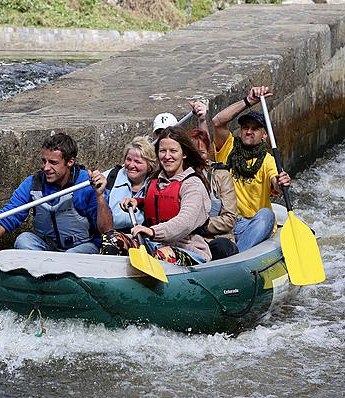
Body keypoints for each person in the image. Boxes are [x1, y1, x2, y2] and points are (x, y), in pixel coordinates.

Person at [0, 132, 112, 253]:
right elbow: (2, 223)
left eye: (53, 163)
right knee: (23, 239)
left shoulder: (86, 185)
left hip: (81, 248)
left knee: (77, 253)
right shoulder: (32, 184)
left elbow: (106, 231)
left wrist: (99, 196)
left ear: (70, 162)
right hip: (47, 249)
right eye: (44, 161)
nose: (46, 168)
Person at [212, 86, 291, 252]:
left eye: (255, 129)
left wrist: (280, 182)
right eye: (245, 127)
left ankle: (236, 256)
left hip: (252, 224)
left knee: (267, 216)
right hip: (226, 221)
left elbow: (274, 180)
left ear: (264, 135)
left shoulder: (268, 161)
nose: (249, 132)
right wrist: (248, 101)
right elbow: (218, 121)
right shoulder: (229, 147)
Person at [120, 126, 212, 265]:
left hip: (188, 249)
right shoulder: (155, 180)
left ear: (184, 154)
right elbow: (160, 203)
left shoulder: (193, 185)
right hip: (154, 244)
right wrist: (138, 202)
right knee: (113, 240)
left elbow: (185, 221)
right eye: (163, 151)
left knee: (162, 255)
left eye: (173, 151)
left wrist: (153, 232)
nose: (167, 156)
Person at [99, 137, 158, 255]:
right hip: (113, 241)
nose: (131, 165)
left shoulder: (157, 185)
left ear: (149, 165)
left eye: (138, 162)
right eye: (128, 160)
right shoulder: (109, 178)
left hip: (145, 242)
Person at [188, 128, 238, 260]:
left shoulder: (220, 175)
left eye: (202, 153)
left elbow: (230, 218)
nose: (197, 157)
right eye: (193, 153)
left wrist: (202, 226)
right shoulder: (180, 175)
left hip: (216, 238)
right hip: (188, 238)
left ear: (208, 153)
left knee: (220, 247)